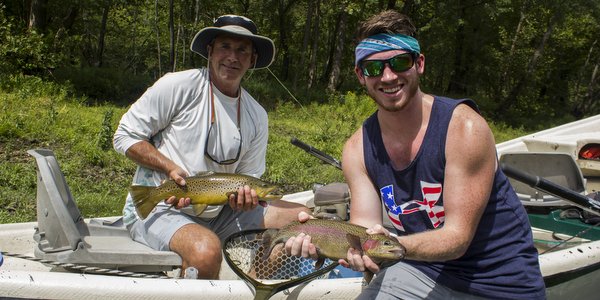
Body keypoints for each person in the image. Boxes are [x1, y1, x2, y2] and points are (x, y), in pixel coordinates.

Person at [285, 10, 546, 299]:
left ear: (419, 64)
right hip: (419, 270)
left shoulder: (464, 128)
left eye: (400, 62)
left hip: (500, 282)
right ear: (361, 75)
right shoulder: (357, 149)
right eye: (373, 68)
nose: (388, 76)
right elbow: (362, 230)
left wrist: (393, 246)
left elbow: (457, 239)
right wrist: (324, 238)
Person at [113, 14, 308, 279]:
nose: (233, 57)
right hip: (159, 207)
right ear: (209, 51)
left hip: (221, 212)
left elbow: (250, 179)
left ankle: (253, 286)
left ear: (252, 60)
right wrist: (170, 168)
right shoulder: (178, 86)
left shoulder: (257, 114)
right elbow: (124, 136)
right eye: (225, 46)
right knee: (206, 250)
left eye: (242, 50)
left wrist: (247, 201)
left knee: (302, 219)